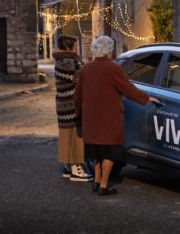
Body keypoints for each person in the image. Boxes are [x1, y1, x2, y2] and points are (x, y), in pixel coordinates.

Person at [74, 35, 159, 196]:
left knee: (96, 152)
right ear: (107, 51)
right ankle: (104, 186)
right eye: (111, 49)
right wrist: (146, 98)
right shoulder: (112, 68)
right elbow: (127, 88)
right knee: (109, 151)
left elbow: (77, 95)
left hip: (91, 117)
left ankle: (97, 181)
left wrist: (78, 112)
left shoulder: (86, 69)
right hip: (109, 117)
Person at [53, 35, 94, 182]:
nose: (77, 49)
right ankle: (77, 168)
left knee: (66, 133)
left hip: (62, 103)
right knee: (76, 135)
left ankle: (67, 167)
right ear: (69, 48)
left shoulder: (60, 60)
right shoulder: (70, 61)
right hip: (72, 104)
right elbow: (80, 79)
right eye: (75, 46)